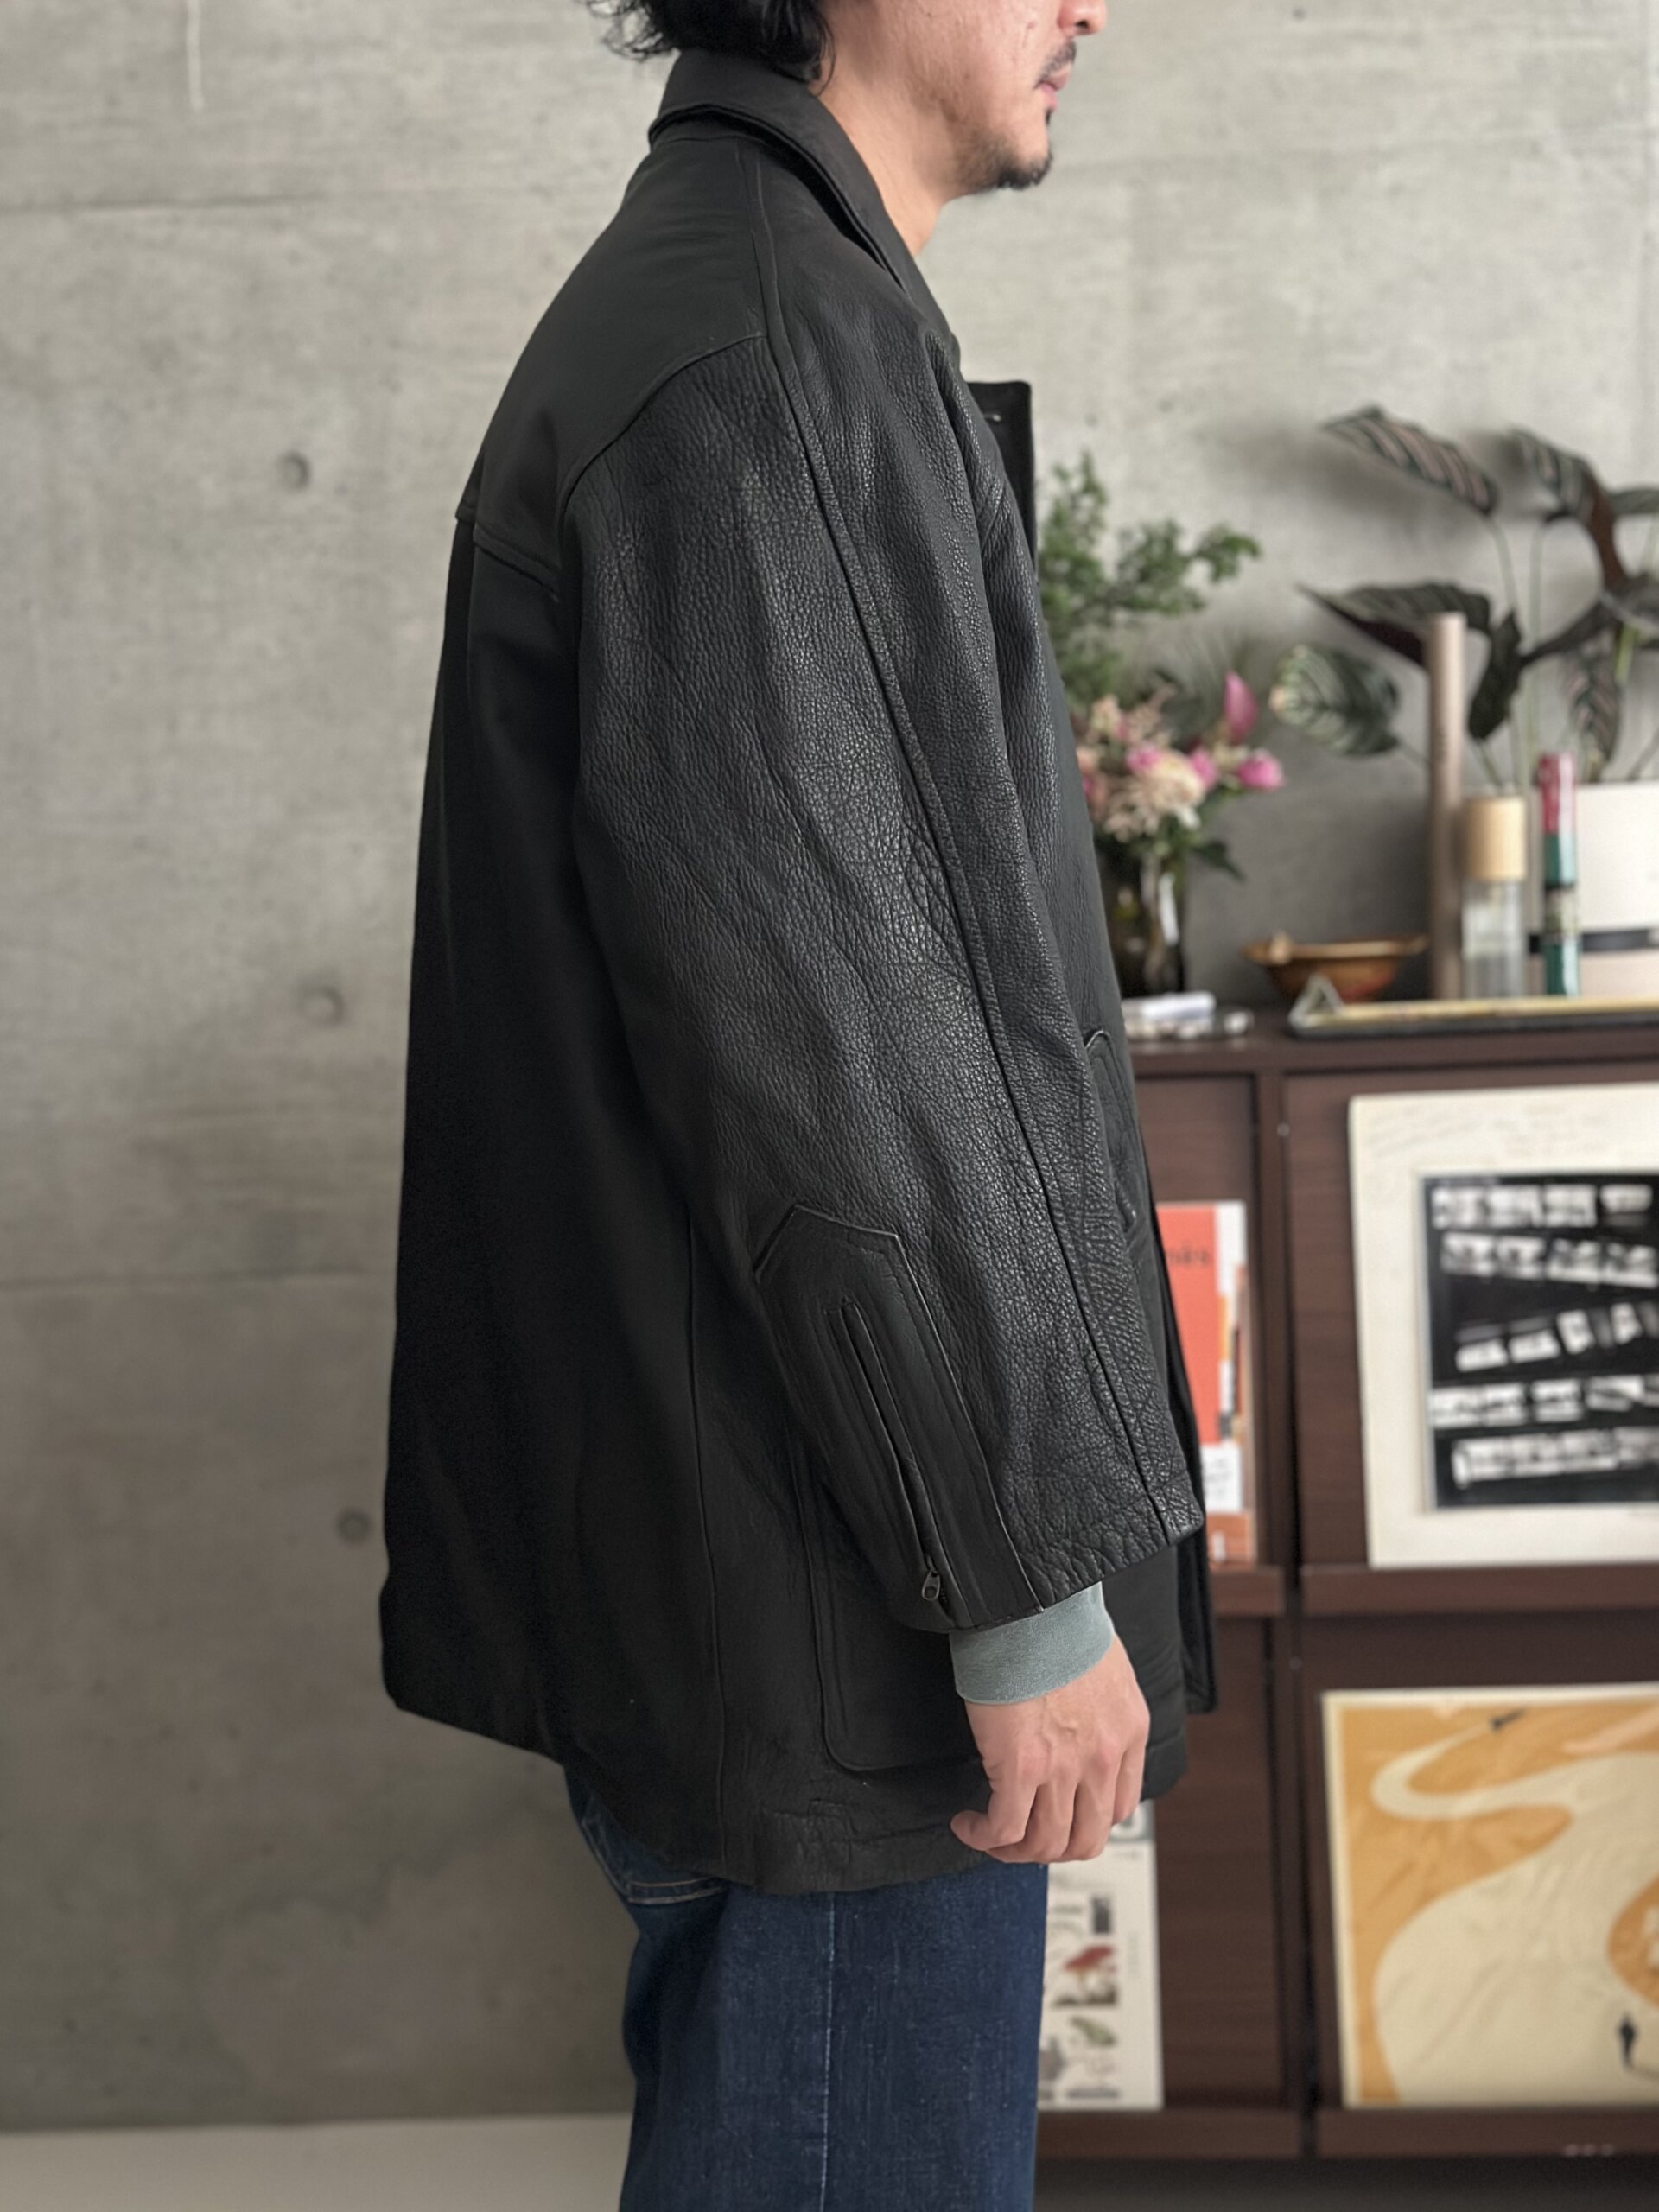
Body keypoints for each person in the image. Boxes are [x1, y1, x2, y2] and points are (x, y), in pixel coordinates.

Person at [378, 3, 1217, 2202]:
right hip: (860, 1622)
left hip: (818, 1573)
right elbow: (854, 1053)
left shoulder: (760, 304)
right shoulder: (755, 358)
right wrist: (1027, 1589)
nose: (1090, 6)